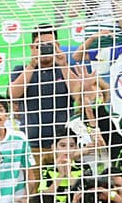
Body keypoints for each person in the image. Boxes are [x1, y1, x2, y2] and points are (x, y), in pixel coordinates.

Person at [10, 24, 81, 155]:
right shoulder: (21, 70)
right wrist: (32, 64)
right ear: (32, 47)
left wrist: (63, 64)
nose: (45, 48)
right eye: (40, 45)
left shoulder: (66, 69)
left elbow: (78, 95)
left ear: (57, 45)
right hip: (31, 145)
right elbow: (13, 95)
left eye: (50, 44)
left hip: (63, 145)